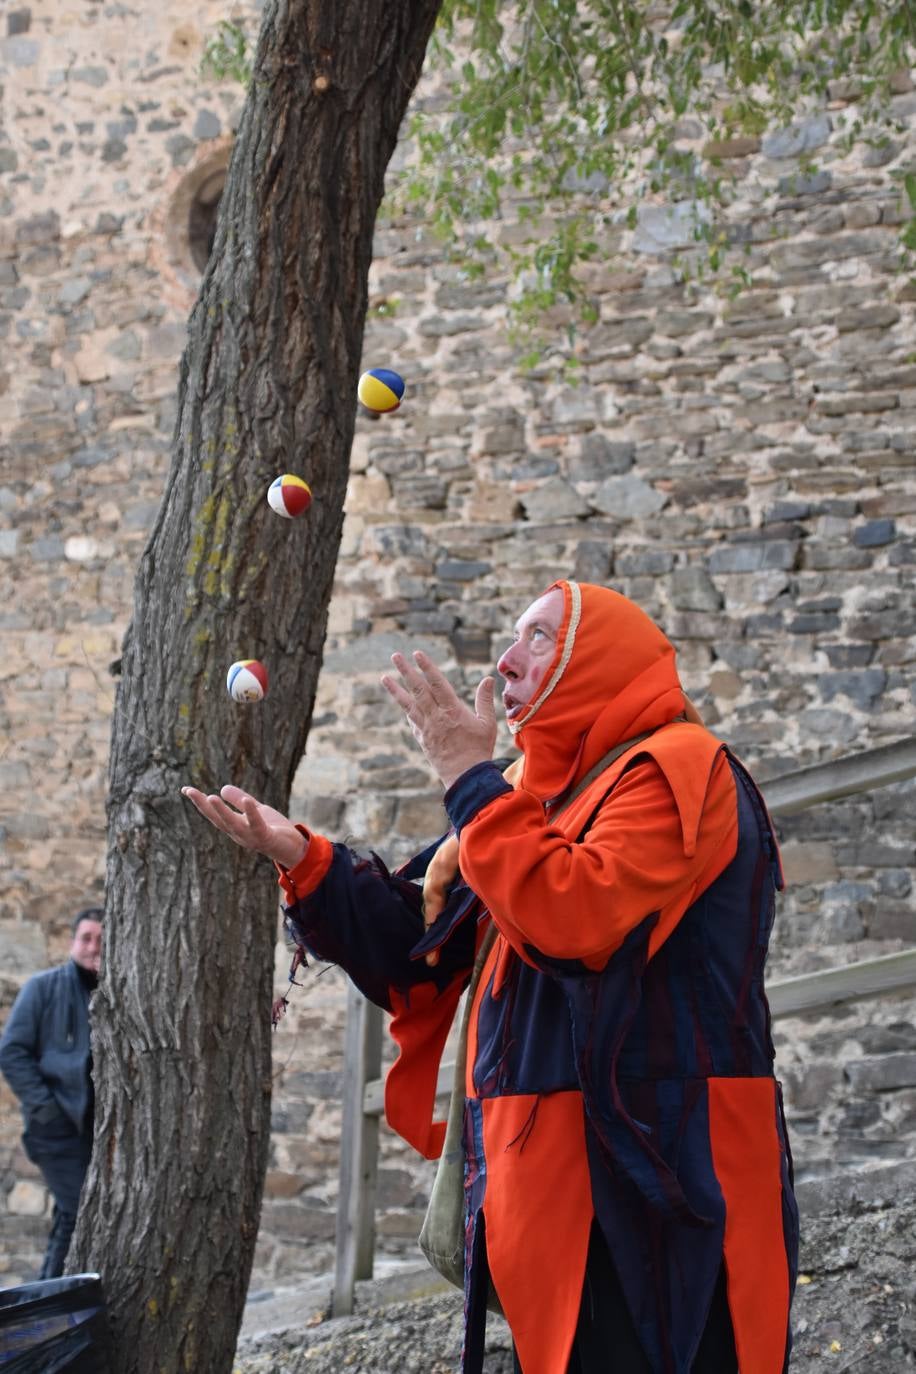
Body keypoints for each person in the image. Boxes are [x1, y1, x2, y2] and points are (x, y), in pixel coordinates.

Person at [182, 580, 798, 1374]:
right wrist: (300, 855)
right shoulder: (528, 795)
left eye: (539, 637)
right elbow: (426, 947)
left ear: (600, 657)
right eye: (513, 637)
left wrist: (469, 777)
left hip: (668, 1181)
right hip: (559, 1183)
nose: (506, 660)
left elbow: (573, 922)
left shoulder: (678, 769)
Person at [0, 906, 102, 1279]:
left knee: (67, 1217)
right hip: (56, 1130)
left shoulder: (114, 992)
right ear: (72, 941)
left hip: (94, 1131)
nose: (93, 947)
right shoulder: (42, 988)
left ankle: (45, 1301)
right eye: (86, 938)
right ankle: (55, 1301)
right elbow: (11, 1051)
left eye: (102, 940)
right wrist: (46, 1108)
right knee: (81, 1211)